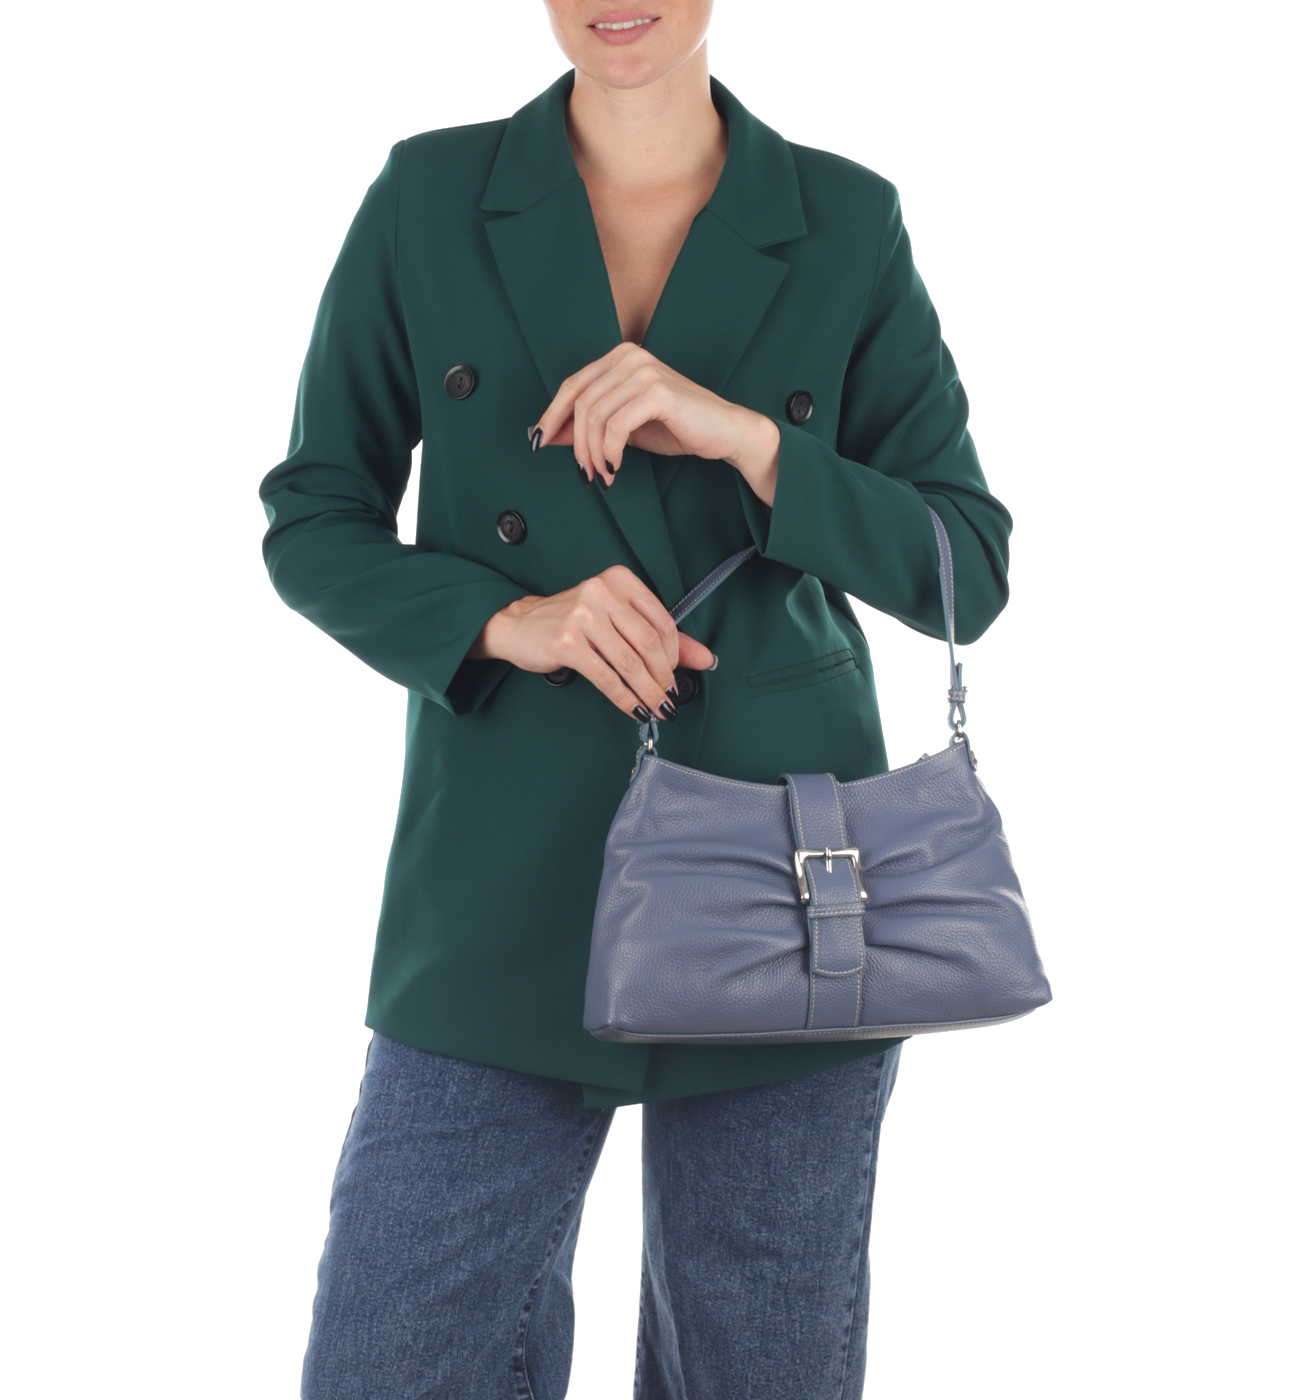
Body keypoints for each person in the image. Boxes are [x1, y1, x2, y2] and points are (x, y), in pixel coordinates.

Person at [259, 3, 1013, 1395]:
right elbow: (313, 517)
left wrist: (754, 444)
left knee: (758, 1369)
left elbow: (966, 563)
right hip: (499, 876)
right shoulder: (430, 195)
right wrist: (508, 617)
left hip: (783, 882)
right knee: (388, 1356)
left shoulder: (845, 219)